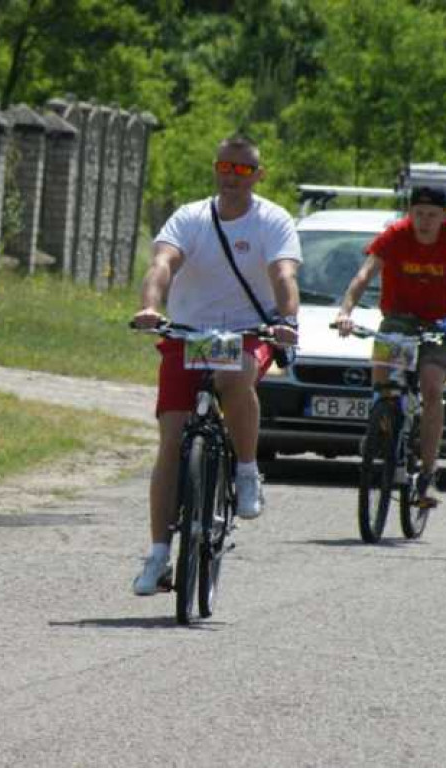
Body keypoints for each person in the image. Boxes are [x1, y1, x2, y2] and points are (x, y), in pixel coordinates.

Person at [130, 135, 301, 596]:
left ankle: (247, 470)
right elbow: (162, 263)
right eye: (225, 166)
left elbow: (284, 274)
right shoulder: (190, 217)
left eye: (243, 169)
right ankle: (159, 554)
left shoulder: (272, 220)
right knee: (171, 441)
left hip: (249, 331)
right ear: (215, 168)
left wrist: (286, 320)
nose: (232, 175)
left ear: (258, 176)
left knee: (233, 376)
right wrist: (151, 307)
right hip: (188, 332)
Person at [334, 186, 446, 505]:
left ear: (443, 217)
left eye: (432, 215)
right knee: (382, 378)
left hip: (440, 323)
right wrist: (345, 312)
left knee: (432, 387)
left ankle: (427, 468)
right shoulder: (396, 235)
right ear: (409, 213)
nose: (424, 221)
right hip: (399, 318)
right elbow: (364, 274)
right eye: (418, 214)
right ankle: (381, 430)